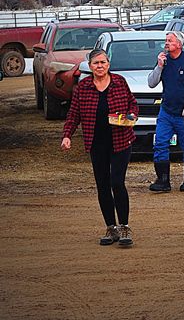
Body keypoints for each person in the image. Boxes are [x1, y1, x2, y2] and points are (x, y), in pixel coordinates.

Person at [61, 49, 138, 247]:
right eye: (96, 63)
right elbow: (74, 113)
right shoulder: (83, 87)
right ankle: (111, 227)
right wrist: (67, 135)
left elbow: (132, 104)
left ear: (108, 64)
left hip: (121, 140)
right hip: (96, 142)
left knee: (117, 182)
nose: (100, 66)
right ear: (90, 66)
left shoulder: (119, 82)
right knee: (102, 185)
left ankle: (124, 227)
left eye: (103, 62)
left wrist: (131, 116)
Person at [148, 32, 184, 192]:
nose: (166, 43)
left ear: (179, 44)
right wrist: (159, 66)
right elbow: (151, 83)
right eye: (166, 40)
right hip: (166, 111)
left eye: (170, 40)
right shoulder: (164, 61)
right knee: (160, 144)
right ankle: (163, 181)